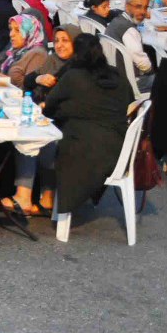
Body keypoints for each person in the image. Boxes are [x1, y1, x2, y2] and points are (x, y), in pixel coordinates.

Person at [41, 33, 137, 219]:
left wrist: (65, 109)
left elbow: (50, 105)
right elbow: (130, 105)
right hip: (118, 149)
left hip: (83, 152)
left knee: (48, 145)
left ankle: (47, 196)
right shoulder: (118, 75)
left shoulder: (74, 76)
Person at [104, 0, 153, 91]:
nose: (143, 12)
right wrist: (153, 70)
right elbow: (143, 65)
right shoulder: (129, 30)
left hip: (114, 75)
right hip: (130, 83)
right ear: (127, 6)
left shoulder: (116, 21)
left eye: (145, 7)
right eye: (138, 7)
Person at [0, 15, 49, 86]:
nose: (11, 34)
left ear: (29, 32)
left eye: (17, 30)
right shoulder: (16, 51)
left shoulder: (38, 53)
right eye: (11, 29)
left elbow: (28, 88)